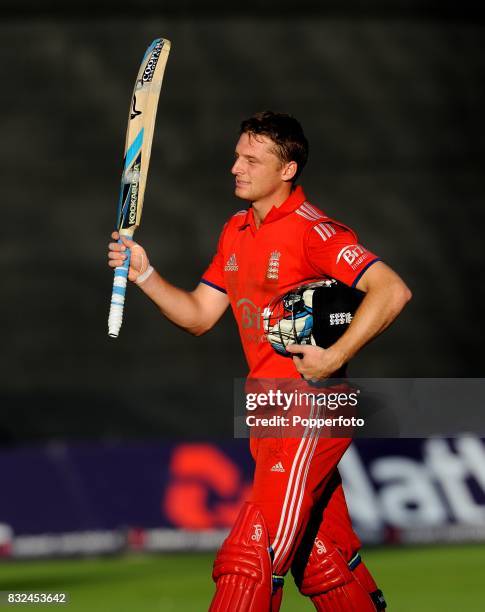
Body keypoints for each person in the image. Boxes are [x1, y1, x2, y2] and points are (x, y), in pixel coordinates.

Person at [107, 111, 411, 610]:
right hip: (266, 410)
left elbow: (391, 290)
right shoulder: (236, 230)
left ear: (287, 169)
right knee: (322, 559)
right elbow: (200, 315)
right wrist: (145, 275)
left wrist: (335, 355)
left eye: (252, 159)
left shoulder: (314, 232)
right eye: (236, 155)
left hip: (311, 407)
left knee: (251, 557)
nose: (235, 167)